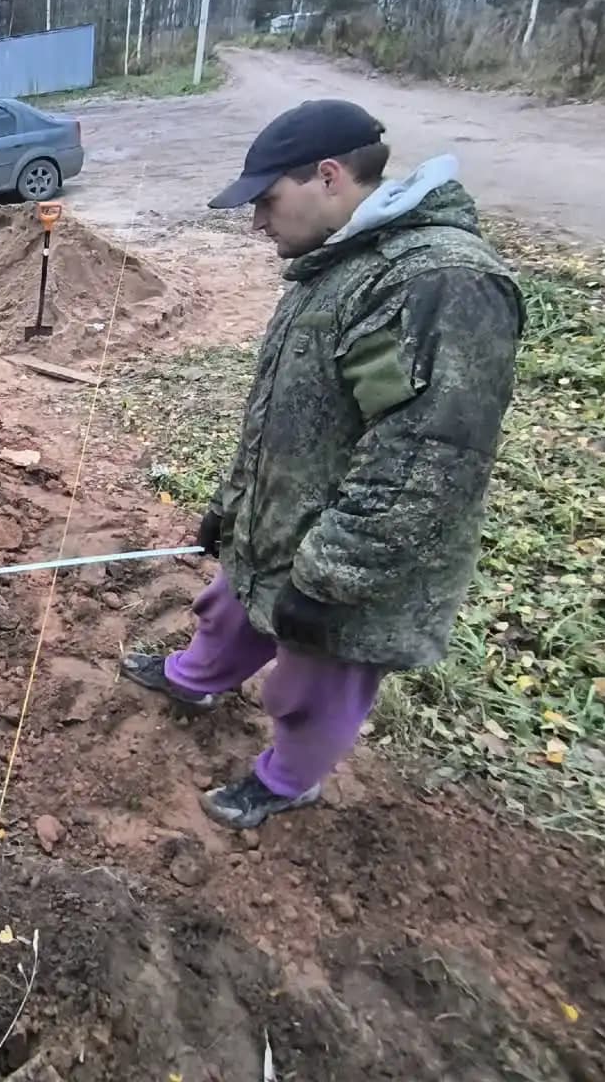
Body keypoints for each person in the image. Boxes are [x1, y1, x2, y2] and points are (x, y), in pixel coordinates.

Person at [122, 99, 524, 829]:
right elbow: (284, 414)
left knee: (318, 677)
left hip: (354, 555)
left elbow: (423, 460)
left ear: (329, 176)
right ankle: (197, 678)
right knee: (230, 609)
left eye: (267, 200)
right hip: (285, 524)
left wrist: (332, 579)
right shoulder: (340, 262)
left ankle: (288, 779)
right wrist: (232, 506)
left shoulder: (439, 282)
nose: (257, 222)